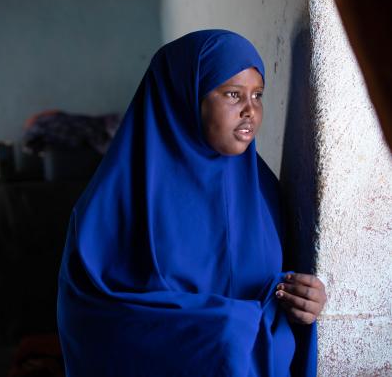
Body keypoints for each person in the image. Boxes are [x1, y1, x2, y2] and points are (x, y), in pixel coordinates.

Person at [57, 29, 327, 376]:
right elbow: (91, 323)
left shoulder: (262, 191)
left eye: (257, 95)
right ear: (184, 97)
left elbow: (271, 290)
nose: (250, 111)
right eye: (233, 94)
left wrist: (302, 299)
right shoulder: (115, 202)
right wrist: (224, 329)